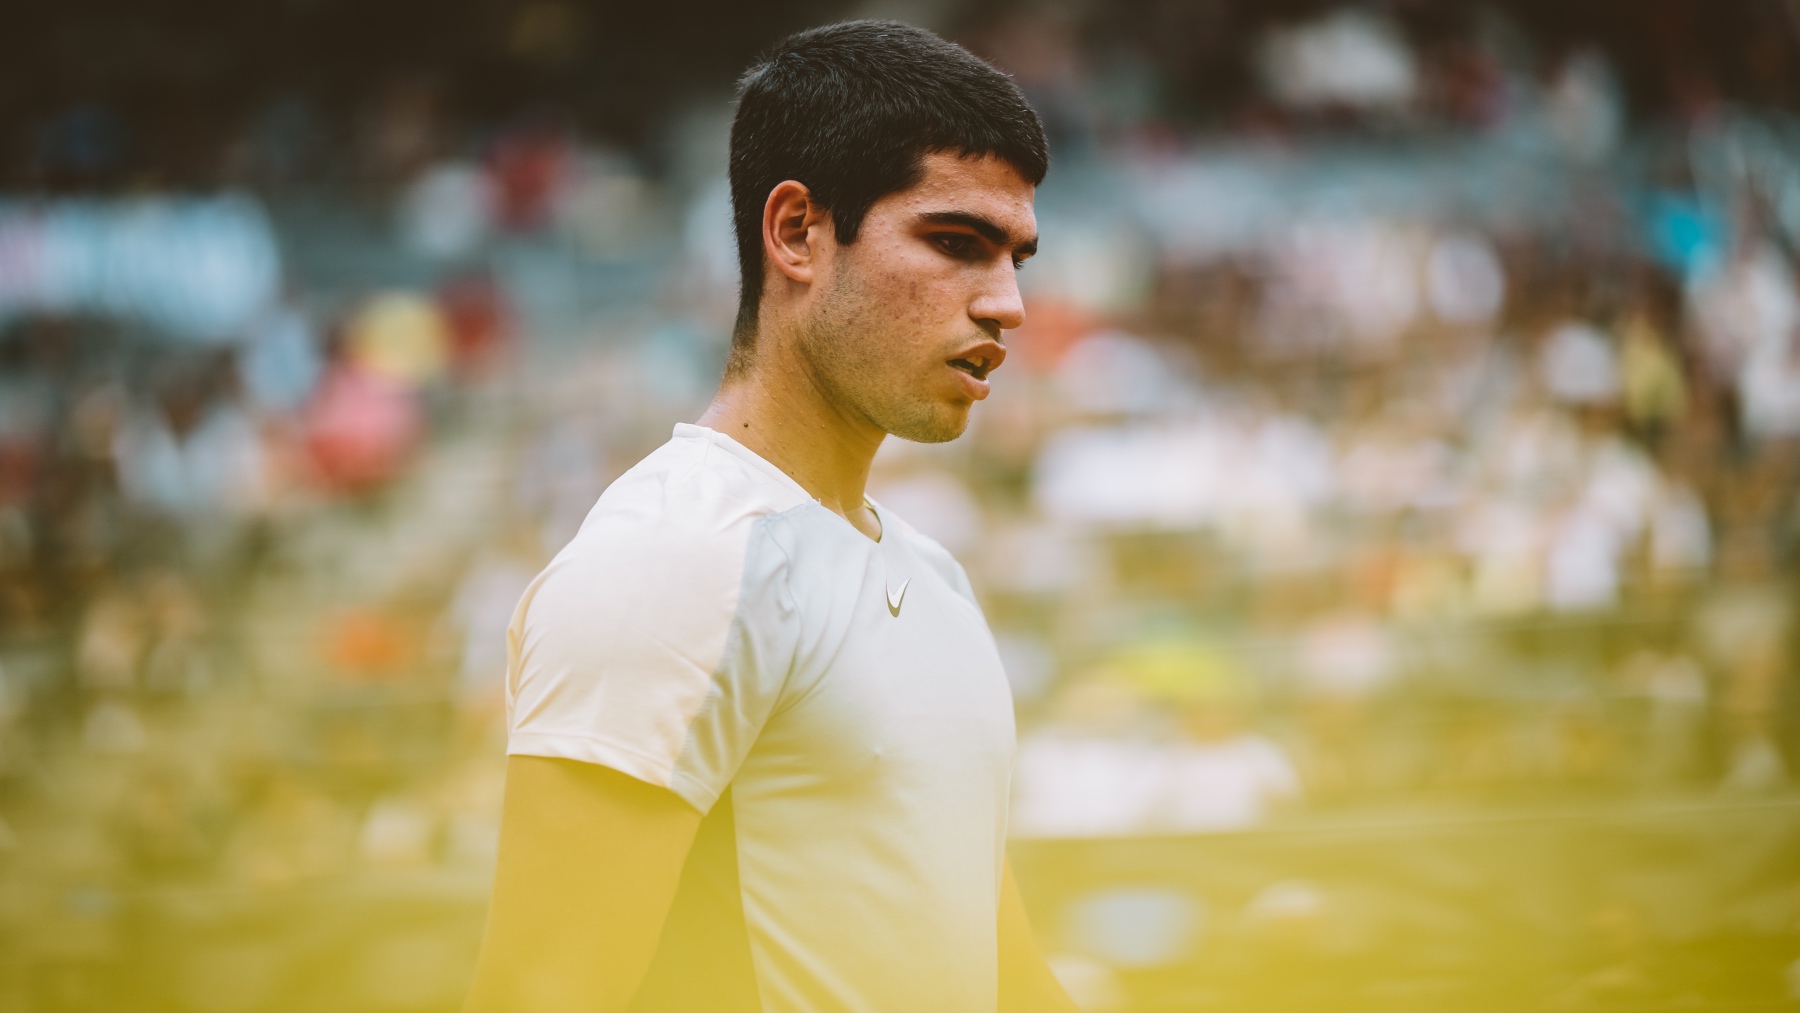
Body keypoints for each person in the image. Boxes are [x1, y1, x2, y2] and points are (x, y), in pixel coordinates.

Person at [464, 21, 1078, 1013]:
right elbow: (539, 990)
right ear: (795, 231)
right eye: (957, 242)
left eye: (1017, 257)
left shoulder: (935, 577)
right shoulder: (678, 554)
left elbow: (1003, 979)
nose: (1007, 303)